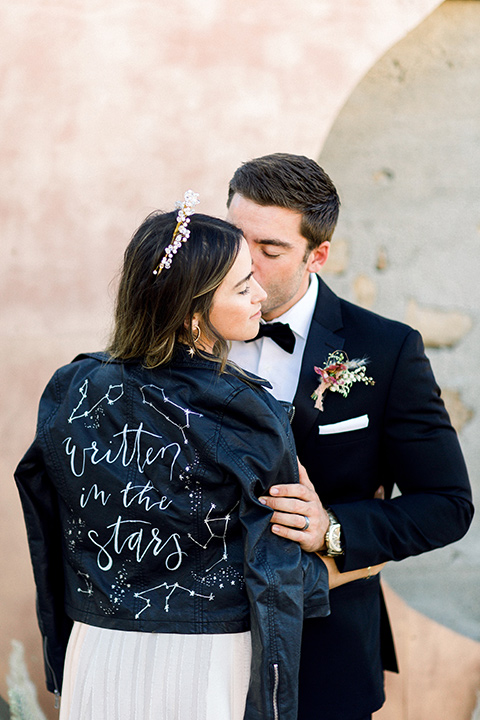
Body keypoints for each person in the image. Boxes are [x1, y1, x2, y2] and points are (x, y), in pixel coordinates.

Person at [14, 193, 336, 720]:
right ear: (192, 314)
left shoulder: (71, 386)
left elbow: (48, 523)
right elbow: (273, 569)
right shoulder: (247, 411)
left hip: (99, 647)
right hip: (207, 657)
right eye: (241, 285)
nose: (259, 294)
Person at [226, 154, 474, 720]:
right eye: (233, 239)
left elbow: (447, 506)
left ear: (318, 256)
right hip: (191, 651)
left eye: (269, 251)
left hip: (326, 655)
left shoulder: (385, 351)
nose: (243, 264)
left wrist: (331, 529)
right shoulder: (180, 332)